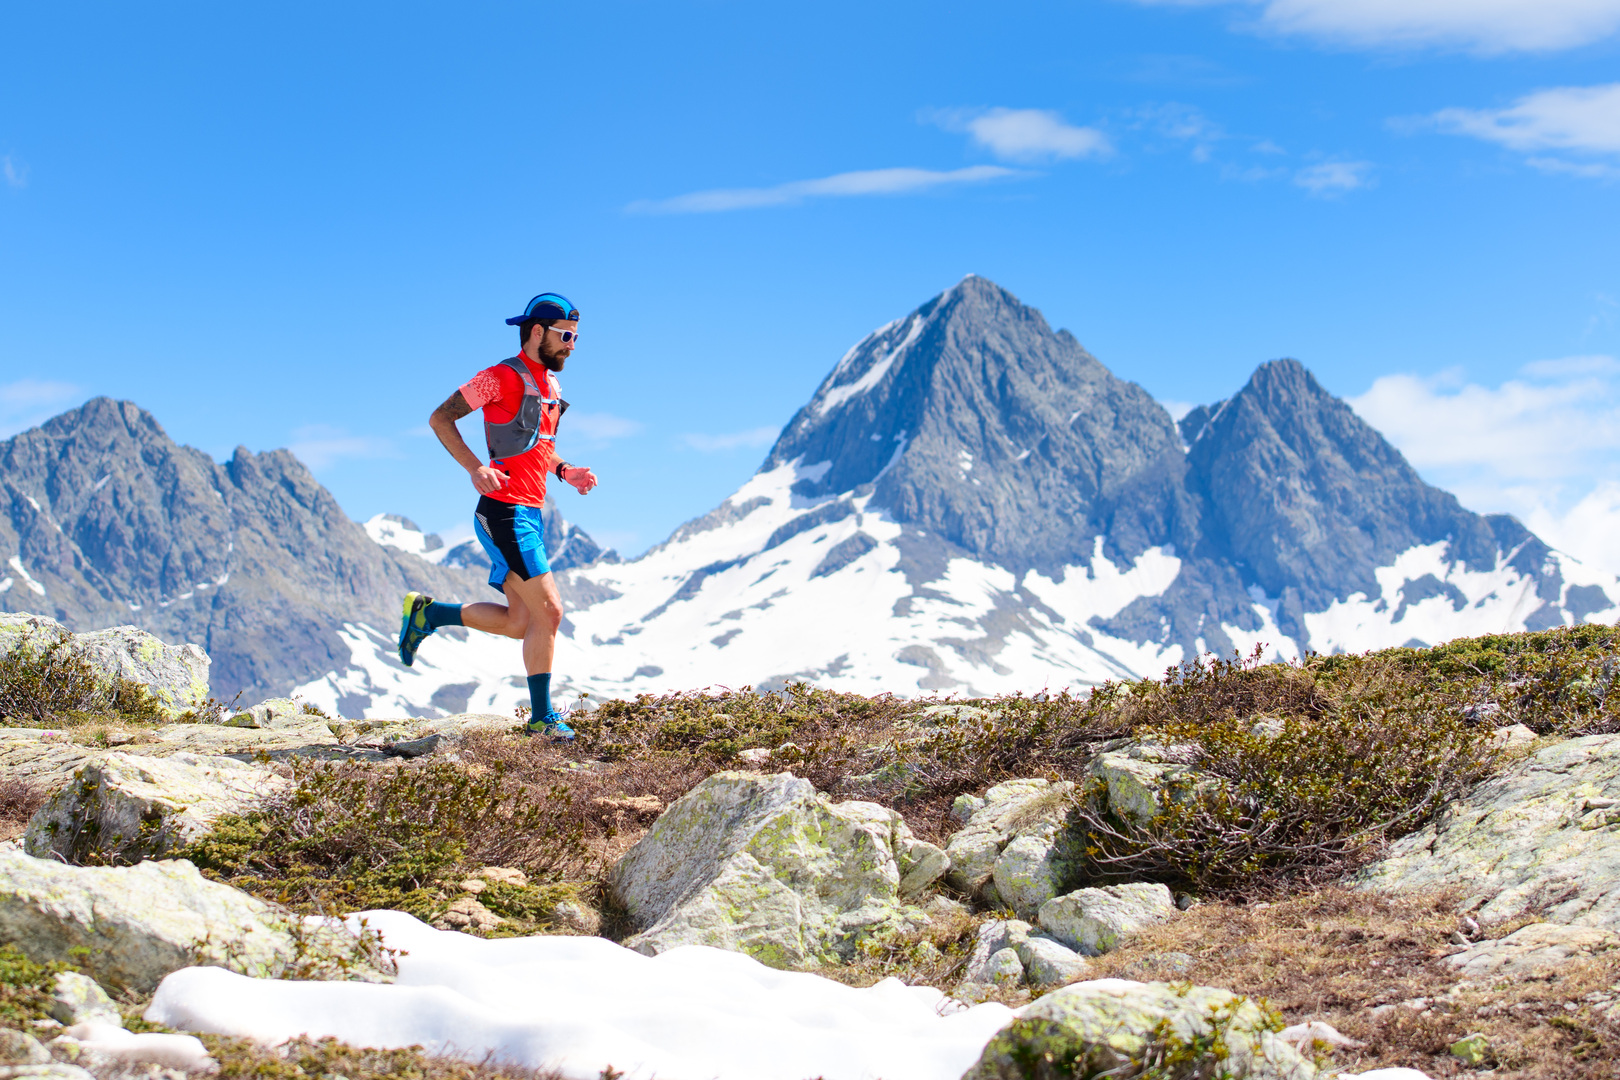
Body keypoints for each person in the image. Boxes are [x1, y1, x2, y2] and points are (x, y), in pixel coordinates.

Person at [399, 292, 598, 739]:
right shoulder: (498, 377)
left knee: (520, 622)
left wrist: (566, 470)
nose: (571, 345)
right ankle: (543, 720)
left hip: (531, 513)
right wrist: (475, 468)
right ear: (537, 332)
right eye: (566, 336)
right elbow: (440, 418)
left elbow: (537, 447)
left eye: (577, 338)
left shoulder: (552, 387)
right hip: (503, 511)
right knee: (550, 611)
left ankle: (428, 616)